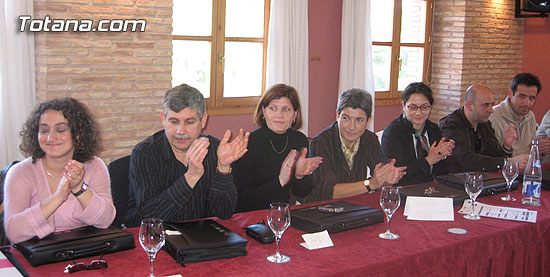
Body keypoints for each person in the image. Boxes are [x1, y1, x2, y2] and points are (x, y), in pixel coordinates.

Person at [125, 84, 249, 227]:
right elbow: (149, 217)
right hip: (157, 237)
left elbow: (224, 213)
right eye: (173, 121)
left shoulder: (216, 149)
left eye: (189, 122)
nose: (180, 131)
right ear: (163, 119)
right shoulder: (145, 153)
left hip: (202, 237)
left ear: (203, 121)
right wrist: (191, 176)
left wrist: (223, 168)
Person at [4, 98, 115, 244]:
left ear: (78, 134)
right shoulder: (20, 172)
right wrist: (58, 197)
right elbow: (14, 232)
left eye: (60, 130)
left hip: (84, 251)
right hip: (37, 255)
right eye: (44, 130)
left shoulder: (95, 165)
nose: (50, 137)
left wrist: (79, 188)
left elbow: (105, 220)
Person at [232, 84, 323, 212]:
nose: (279, 115)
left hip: (285, 215)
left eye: (286, 110)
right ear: (264, 111)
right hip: (252, 217)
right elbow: (240, 200)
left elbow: (303, 193)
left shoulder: (299, 140)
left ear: (295, 114)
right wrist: (280, 181)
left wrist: (299, 176)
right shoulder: (248, 143)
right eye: (273, 109)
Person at [307, 88, 406, 202]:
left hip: (356, 205)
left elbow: (379, 181)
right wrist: (371, 183)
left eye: (359, 120)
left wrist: (387, 179)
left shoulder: (370, 139)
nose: (351, 127)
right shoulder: (320, 143)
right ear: (337, 116)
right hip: (322, 209)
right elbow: (329, 192)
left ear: (368, 121)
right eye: (346, 118)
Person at [439, 83, 528, 172]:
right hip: (454, 181)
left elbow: (494, 156)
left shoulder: (484, 124)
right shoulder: (450, 126)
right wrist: (508, 162)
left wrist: (506, 147)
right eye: (485, 105)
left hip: (481, 179)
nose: (491, 110)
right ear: (469, 106)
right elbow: (465, 160)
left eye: (492, 104)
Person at [381, 82, 454, 186]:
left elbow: (443, 172)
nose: (419, 113)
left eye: (424, 107)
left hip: (433, 188)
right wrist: (428, 160)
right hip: (405, 189)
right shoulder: (393, 132)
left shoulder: (433, 129)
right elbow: (398, 174)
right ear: (403, 105)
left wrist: (444, 154)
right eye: (413, 107)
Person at [489, 73, 550, 157]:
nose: (527, 103)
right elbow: (492, 157)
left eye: (532, 98)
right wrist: (531, 149)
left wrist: (539, 150)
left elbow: (531, 157)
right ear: (510, 94)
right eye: (522, 96)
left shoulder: (530, 116)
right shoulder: (494, 116)